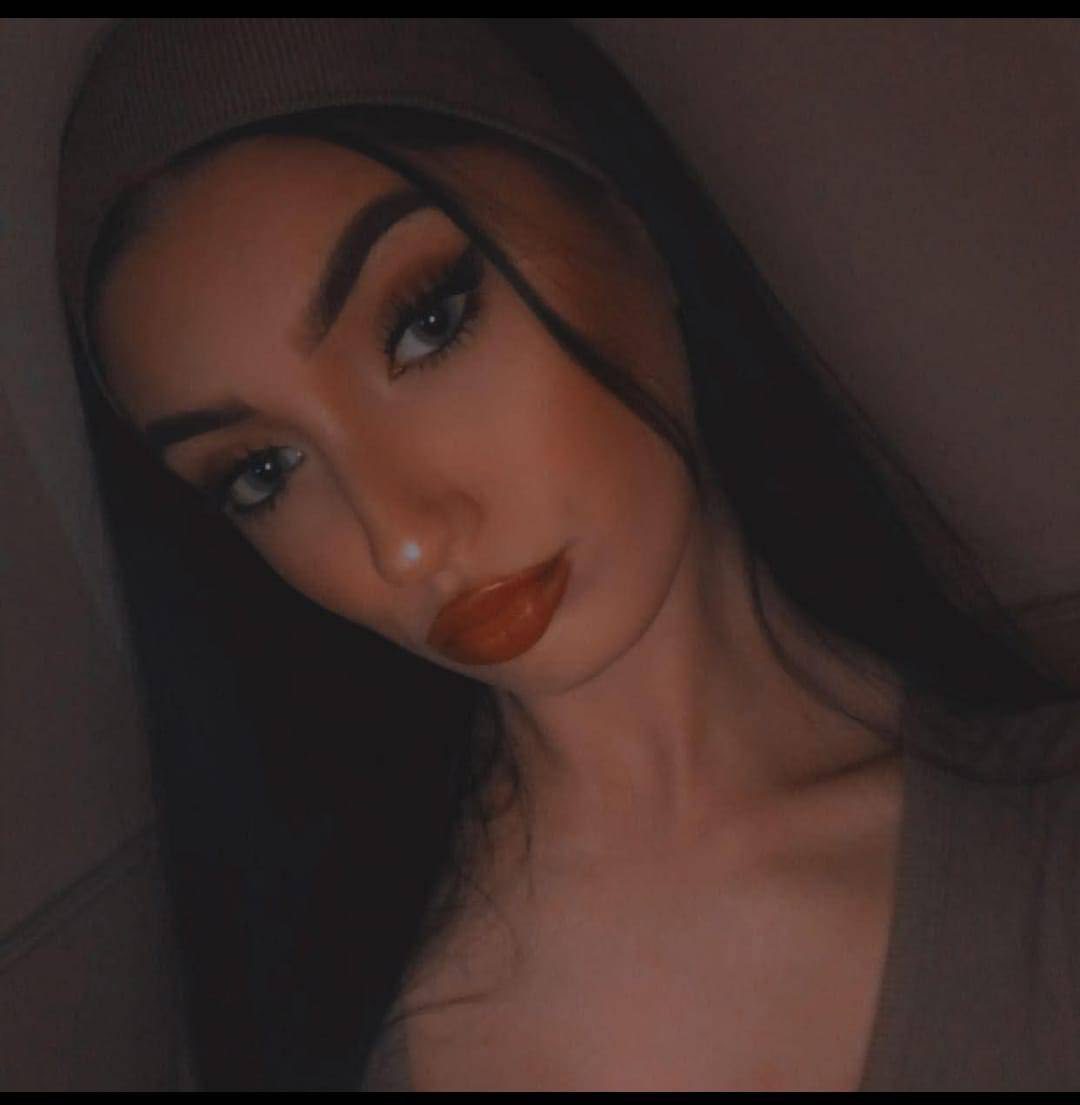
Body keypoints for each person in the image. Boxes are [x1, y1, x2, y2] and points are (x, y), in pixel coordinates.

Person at [55, 19, 1079, 1091]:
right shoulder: (302, 1022)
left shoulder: (1042, 863)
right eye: (263, 471)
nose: (403, 538)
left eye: (426, 323)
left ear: (625, 215)